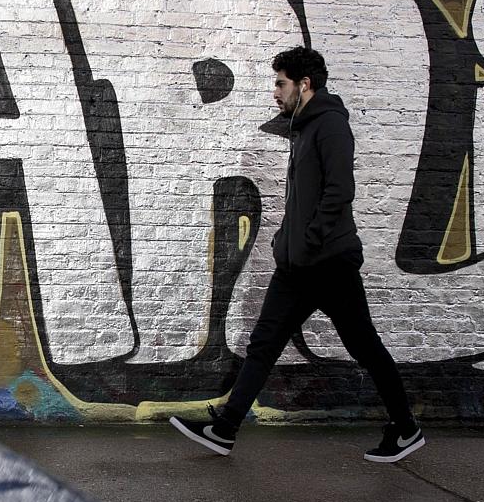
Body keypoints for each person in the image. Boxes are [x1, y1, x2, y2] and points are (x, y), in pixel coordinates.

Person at [169, 46, 425, 463]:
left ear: (303, 85)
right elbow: (302, 199)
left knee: (365, 347)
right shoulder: (303, 127)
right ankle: (225, 427)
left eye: (280, 83)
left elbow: (340, 192)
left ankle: (407, 428)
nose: (275, 92)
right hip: (297, 266)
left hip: (328, 264)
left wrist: (307, 240)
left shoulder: (330, 127)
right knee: (264, 343)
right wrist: (285, 241)